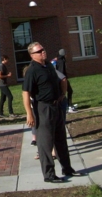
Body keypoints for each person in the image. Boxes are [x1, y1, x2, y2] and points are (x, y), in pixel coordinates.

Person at [22, 42, 80, 183]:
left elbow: (61, 80)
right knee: (45, 143)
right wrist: (29, 114)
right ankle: (49, 175)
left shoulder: (48, 65)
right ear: (32, 55)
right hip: (43, 108)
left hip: (56, 106)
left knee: (61, 139)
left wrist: (61, 94)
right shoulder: (32, 70)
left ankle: (67, 168)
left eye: (43, 49)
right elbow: (25, 92)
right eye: (39, 51)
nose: (43, 52)